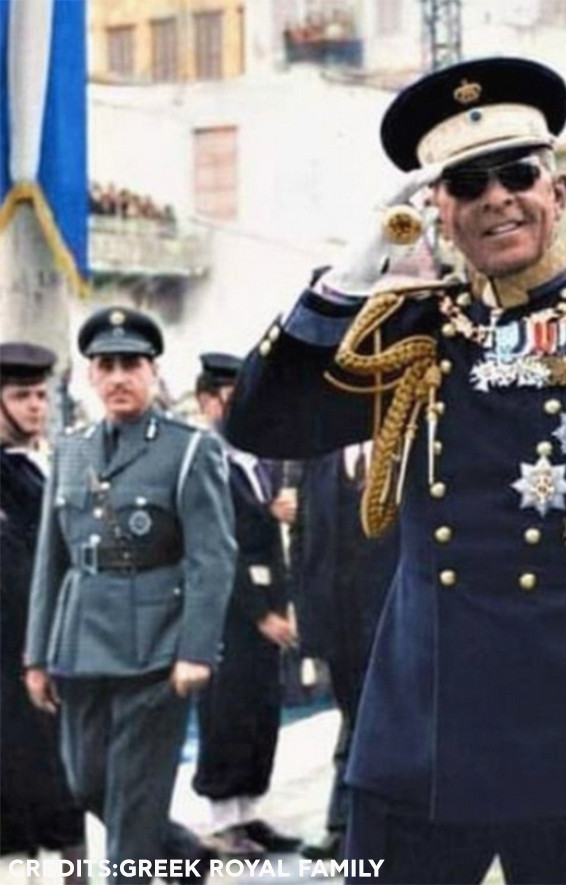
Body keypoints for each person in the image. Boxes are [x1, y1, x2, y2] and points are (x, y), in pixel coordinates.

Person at [222, 56, 566, 883]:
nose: (496, 198)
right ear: (437, 209)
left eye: (517, 175)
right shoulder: (409, 332)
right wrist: (346, 281)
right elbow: (260, 421)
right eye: (467, 184)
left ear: (557, 193)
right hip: (424, 730)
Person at [24, 307, 235, 884]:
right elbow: (51, 557)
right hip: (80, 644)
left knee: (134, 808)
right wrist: (37, 655)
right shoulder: (72, 449)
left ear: (153, 372)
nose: (118, 377)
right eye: (106, 365)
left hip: (157, 649)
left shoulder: (188, 450)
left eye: (131, 365)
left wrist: (197, 650)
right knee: (87, 783)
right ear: (91, 376)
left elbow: (212, 557)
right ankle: (183, 856)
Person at [190, 354, 301, 857]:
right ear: (208, 402)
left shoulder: (255, 461)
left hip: (266, 606)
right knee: (226, 712)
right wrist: (260, 613)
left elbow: (268, 544)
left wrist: (283, 603)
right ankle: (222, 820)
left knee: (259, 711)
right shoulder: (206, 462)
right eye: (232, 400)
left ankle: (247, 813)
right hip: (228, 612)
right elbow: (218, 549)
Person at [0, 343, 88, 878]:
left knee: (63, 789)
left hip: (56, 653)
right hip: (11, 659)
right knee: (14, 800)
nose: (35, 406)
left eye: (40, 395)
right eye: (21, 396)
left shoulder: (50, 464)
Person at [293, 444, 398, 863]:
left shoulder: (404, 452)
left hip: (392, 617)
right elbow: (303, 538)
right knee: (353, 717)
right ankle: (346, 827)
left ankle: (349, 827)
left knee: (375, 723)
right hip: (339, 621)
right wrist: (307, 617)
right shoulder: (319, 459)